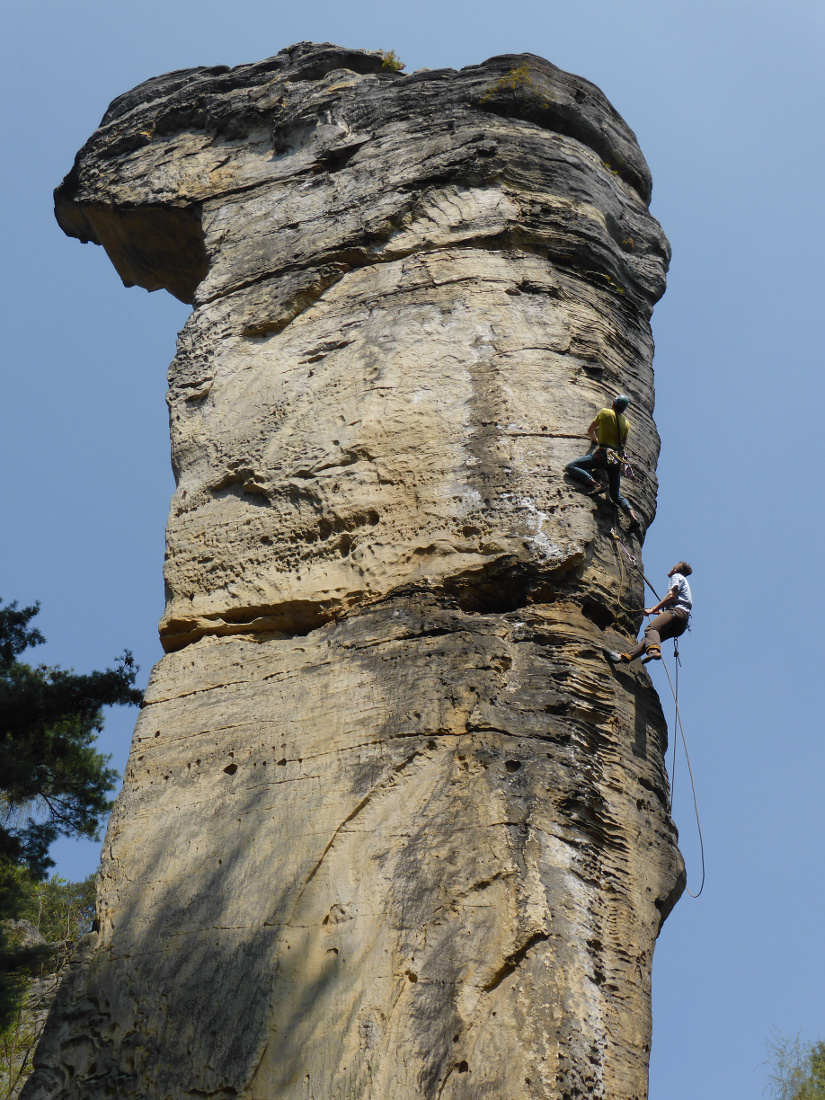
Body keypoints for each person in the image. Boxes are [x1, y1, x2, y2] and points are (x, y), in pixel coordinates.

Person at [565, 395, 641, 532]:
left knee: (571, 466)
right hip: (616, 460)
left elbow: (591, 430)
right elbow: (622, 444)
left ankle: (595, 485)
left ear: (613, 403)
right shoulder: (626, 423)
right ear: (624, 409)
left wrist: (594, 440)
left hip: (604, 455)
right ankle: (633, 518)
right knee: (616, 495)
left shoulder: (605, 412)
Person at [608, 562, 693, 664]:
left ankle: (654, 651)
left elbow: (671, 596)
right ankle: (624, 657)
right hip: (681, 624)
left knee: (651, 629)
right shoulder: (684, 582)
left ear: (675, 569)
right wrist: (660, 613)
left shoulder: (677, 576)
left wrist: (652, 610)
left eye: (673, 567)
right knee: (649, 639)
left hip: (677, 612)